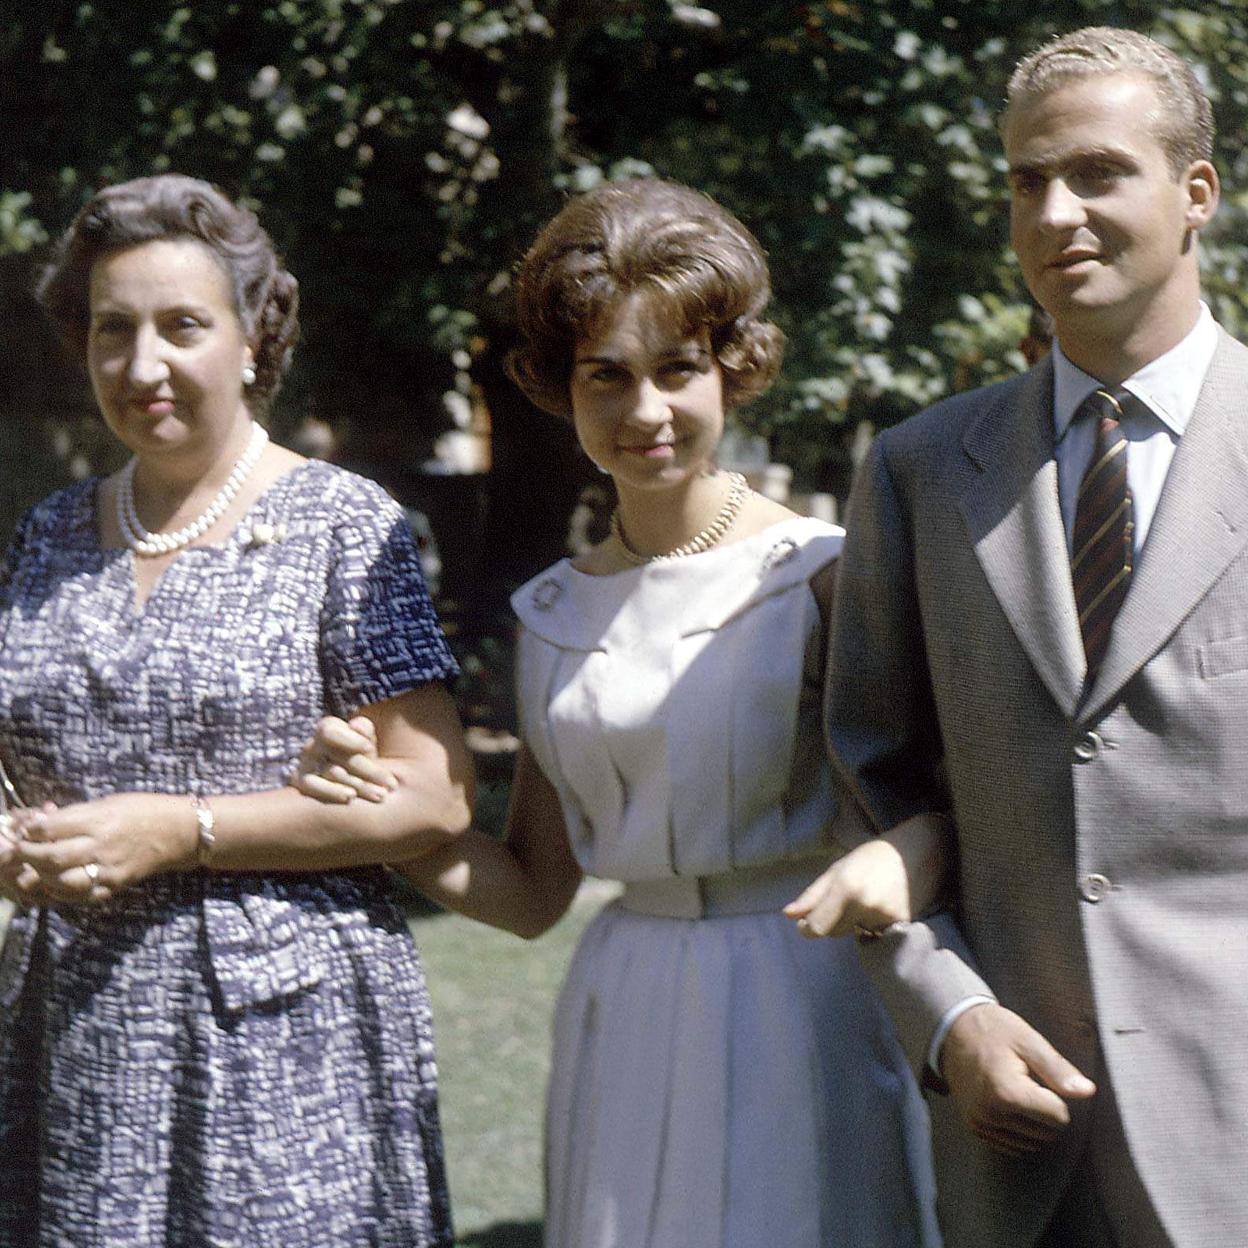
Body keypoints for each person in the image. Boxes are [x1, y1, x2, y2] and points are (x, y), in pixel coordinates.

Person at [300, 178, 944, 1247]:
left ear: (731, 369)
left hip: (803, 989)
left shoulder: (825, 576)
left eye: (677, 370)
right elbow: (535, 893)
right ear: (562, 390)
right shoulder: (552, 615)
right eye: (607, 377)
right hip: (624, 996)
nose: (645, 412)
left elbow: (938, 811)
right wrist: (384, 821)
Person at [822, 26, 1243, 1248]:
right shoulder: (916, 471)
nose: (1055, 212)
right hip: (1020, 1145)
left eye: (1098, 173)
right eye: (1025, 181)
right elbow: (871, 784)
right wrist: (947, 1016)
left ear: (1197, 193)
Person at [0, 174, 472, 1247]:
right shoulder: (49, 534)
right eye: (112, 331)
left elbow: (437, 796)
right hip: (77, 1017)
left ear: (255, 338)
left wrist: (183, 830)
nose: (143, 365)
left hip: (279, 1029)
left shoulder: (346, 527)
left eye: (182, 327)